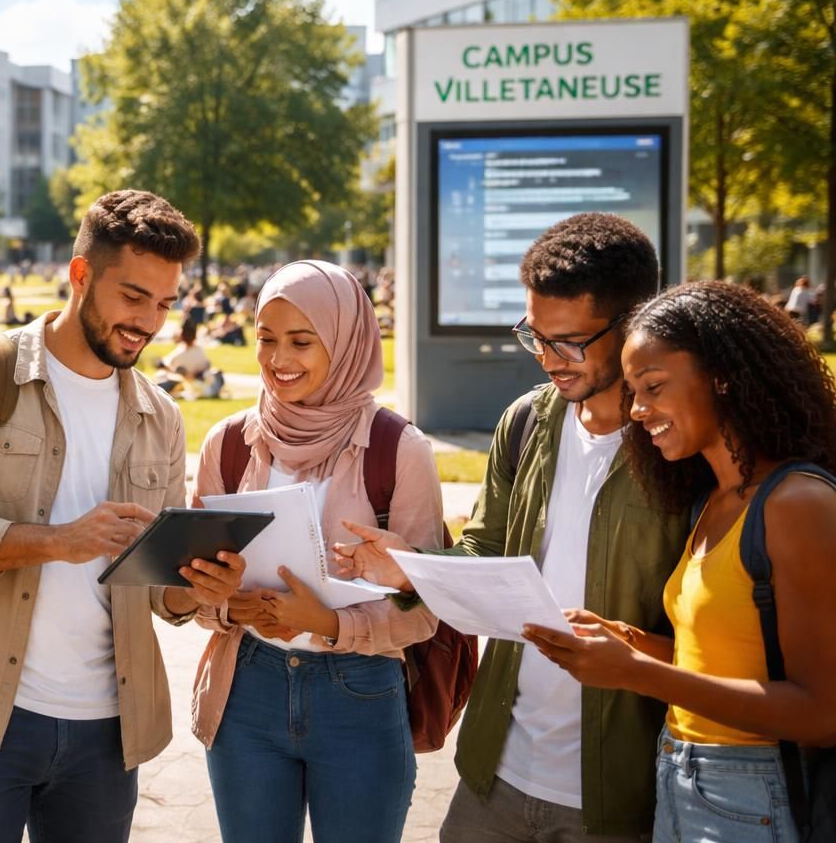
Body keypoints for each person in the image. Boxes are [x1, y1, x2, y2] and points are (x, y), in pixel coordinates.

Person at [0, 189, 246, 843]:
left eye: (165, 304)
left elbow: (159, 590)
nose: (150, 323)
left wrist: (197, 588)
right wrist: (53, 542)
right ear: (80, 276)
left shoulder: (160, 416)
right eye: (133, 297)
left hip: (108, 734)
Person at [338, 213, 686, 842]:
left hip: (622, 794)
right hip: (493, 776)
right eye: (535, 335)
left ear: (634, 325)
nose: (548, 359)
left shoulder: (680, 446)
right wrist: (413, 565)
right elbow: (486, 550)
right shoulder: (526, 421)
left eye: (569, 341)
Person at [523, 281, 836, 842]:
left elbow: (821, 713)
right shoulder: (712, 497)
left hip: (756, 793)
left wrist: (637, 674)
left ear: (722, 377)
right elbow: (727, 663)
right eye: (633, 392)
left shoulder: (798, 505)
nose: (638, 410)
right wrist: (630, 643)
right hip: (679, 773)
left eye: (654, 387)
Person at [189, 260, 445, 843]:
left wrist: (326, 622)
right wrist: (230, 605)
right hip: (246, 691)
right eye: (266, 339)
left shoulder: (398, 448)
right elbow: (191, 588)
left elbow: (426, 607)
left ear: (347, 343)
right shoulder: (227, 443)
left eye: (302, 342)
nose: (279, 359)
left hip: (359, 693)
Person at [155, 319, 210, 395]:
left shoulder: (180, 354)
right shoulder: (200, 350)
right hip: (197, 382)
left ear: (182, 334)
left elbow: (166, 366)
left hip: (184, 382)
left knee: (161, 375)